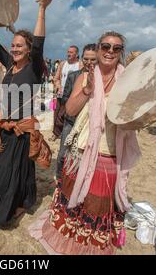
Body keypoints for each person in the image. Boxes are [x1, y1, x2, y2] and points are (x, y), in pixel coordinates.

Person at [29, 31, 142, 255]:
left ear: (121, 53)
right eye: (106, 46)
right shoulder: (85, 76)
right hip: (81, 150)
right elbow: (70, 110)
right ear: (98, 49)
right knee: (74, 199)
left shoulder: (128, 81)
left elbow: (137, 120)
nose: (110, 51)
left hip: (110, 152)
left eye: (116, 48)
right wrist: (88, 90)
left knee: (97, 204)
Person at [0, 0, 53, 227]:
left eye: (19, 46)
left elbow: (39, 41)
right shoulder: (9, 64)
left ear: (28, 50)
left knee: (11, 169)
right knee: (15, 168)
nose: (14, 49)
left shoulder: (34, 69)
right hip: (4, 125)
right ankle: (25, 200)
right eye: (13, 45)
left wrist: (42, 10)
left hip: (22, 128)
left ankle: (11, 207)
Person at [55, 44, 97, 180]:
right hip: (71, 121)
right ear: (82, 57)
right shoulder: (74, 76)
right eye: (86, 59)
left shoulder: (100, 78)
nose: (89, 62)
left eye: (93, 59)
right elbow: (66, 97)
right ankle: (59, 180)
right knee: (63, 154)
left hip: (88, 124)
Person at [51, 46, 82, 141]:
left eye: (71, 52)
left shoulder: (80, 65)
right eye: (68, 52)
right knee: (57, 114)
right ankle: (56, 133)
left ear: (76, 54)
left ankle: (67, 134)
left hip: (72, 95)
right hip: (61, 94)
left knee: (66, 115)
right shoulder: (62, 64)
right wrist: (58, 86)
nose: (69, 54)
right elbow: (56, 78)